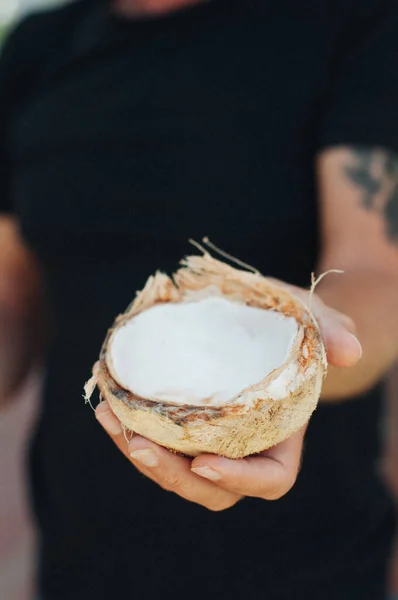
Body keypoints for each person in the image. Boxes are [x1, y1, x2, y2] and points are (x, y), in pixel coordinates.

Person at [0, 0, 398, 598]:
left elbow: (376, 273)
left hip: (304, 563)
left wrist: (298, 368)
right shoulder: (37, 46)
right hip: (81, 554)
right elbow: (13, 294)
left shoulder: (355, 23)